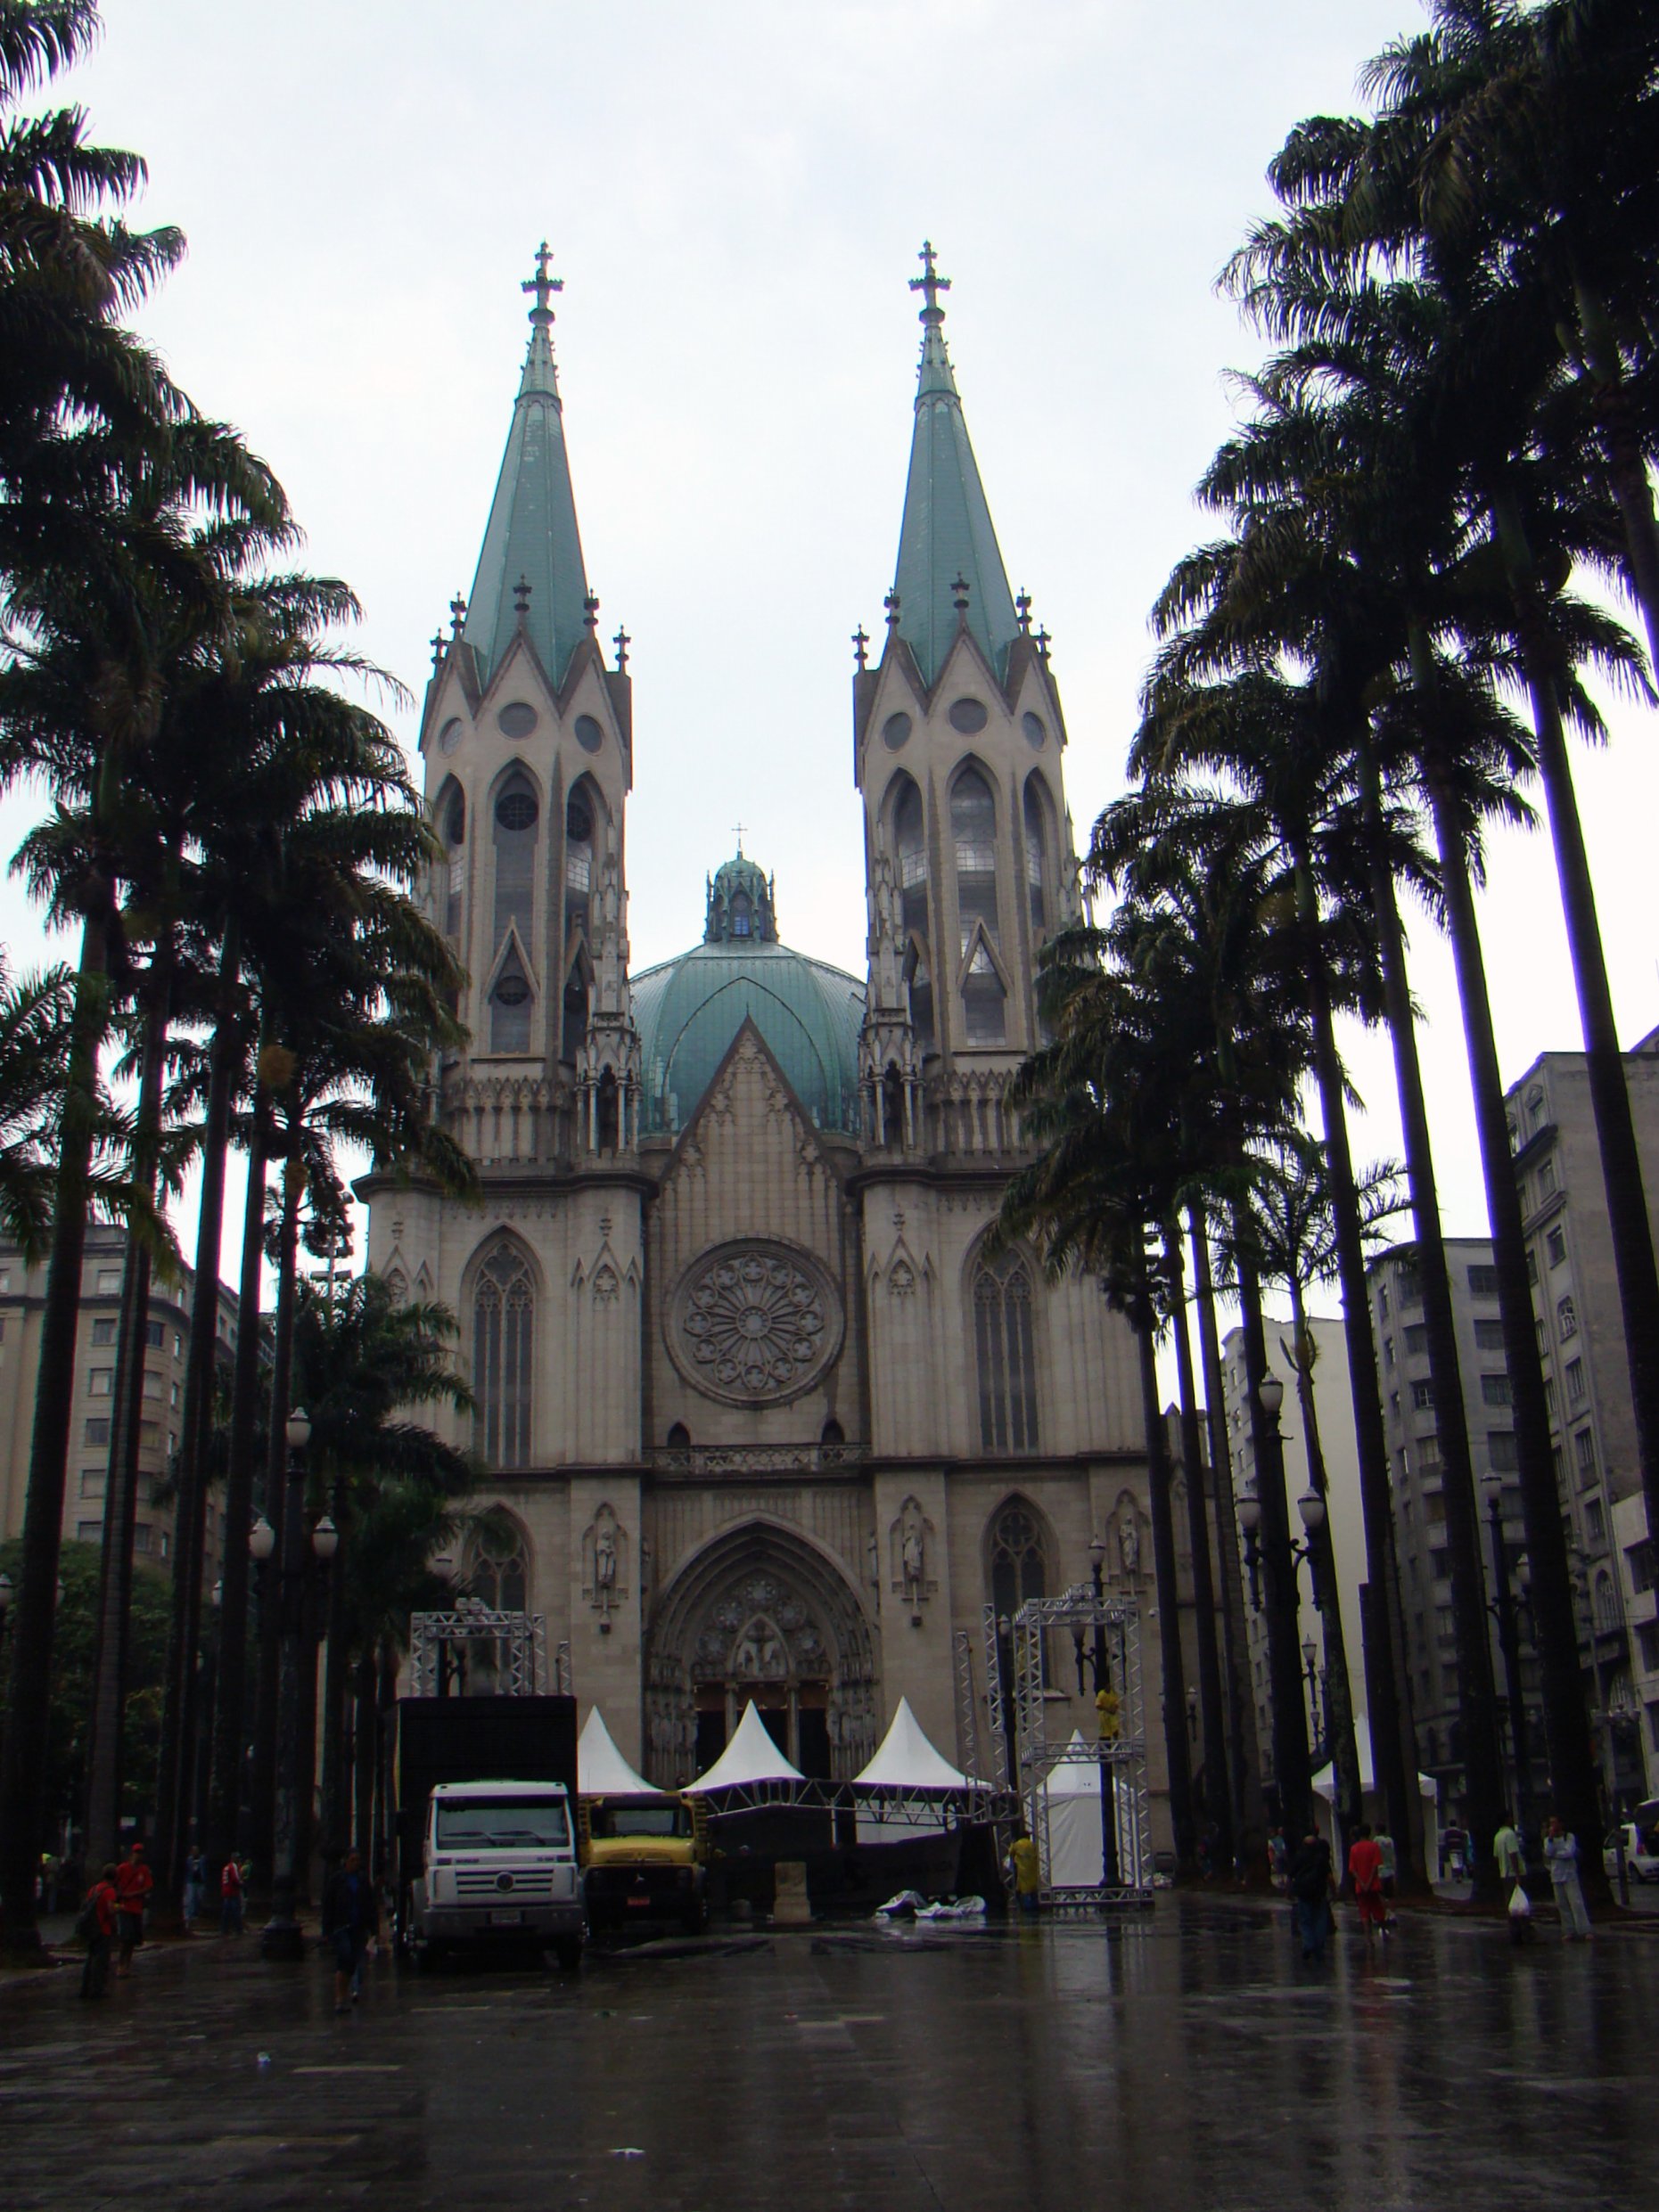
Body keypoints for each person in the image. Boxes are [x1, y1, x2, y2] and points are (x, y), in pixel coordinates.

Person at [321, 1848, 381, 2012]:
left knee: (354, 1961)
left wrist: (374, 1929)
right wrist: (326, 1931)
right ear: (346, 1861)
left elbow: (370, 1906)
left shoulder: (362, 1881)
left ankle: (348, 1992)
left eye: (358, 1860)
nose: (356, 1863)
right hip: (341, 1927)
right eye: (353, 1860)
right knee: (344, 1957)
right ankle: (340, 1999)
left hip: (358, 1928)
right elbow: (328, 1906)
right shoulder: (337, 1881)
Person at [1286, 1830, 1335, 1962]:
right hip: (1319, 1892)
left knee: (1305, 1920)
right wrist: (1334, 1892)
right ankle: (1318, 1946)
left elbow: (1290, 1876)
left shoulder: (1299, 1857)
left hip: (1303, 1893)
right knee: (1320, 1920)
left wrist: (1289, 1891)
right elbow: (1330, 1877)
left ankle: (1308, 1944)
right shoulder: (1321, 1859)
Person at [1544, 1815, 1592, 1942]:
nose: (1553, 1826)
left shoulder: (1569, 1837)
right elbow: (1548, 1853)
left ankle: (1584, 1929)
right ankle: (1568, 1930)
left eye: (1555, 1822)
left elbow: (1568, 1852)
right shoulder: (1548, 1840)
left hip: (1570, 1874)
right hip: (1556, 1875)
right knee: (1562, 1904)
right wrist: (1550, 1839)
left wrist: (1556, 1855)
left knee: (1576, 1902)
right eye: (1551, 1823)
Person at [78, 1864, 119, 1999]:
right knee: (101, 1961)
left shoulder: (94, 1889)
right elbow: (111, 1910)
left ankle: (85, 1987)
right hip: (103, 1929)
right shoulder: (110, 1891)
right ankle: (98, 1989)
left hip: (92, 1929)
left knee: (90, 1959)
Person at [112, 1841, 153, 1977]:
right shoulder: (122, 1868)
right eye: (137, 1853)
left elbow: (148, 1887)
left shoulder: (144, 1870)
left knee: (132, 1940)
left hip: (137, 1908)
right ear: (132, 1854)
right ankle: (120, 1965)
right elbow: (114, 1882)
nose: (138, 1856)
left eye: (140, 1853)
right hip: (125, 1907)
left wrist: (135, 1894)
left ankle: (127, 1965)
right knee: (126, 1937)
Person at [1348, 1822, 1388, 1948]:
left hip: (1360, 1887)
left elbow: (1353, 1869)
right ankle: (1383, 1931)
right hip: (1374, 1885)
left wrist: (1361, 1882)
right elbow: (1375, 1866)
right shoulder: (1374, 1847)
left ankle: (1368, 1938)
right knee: (1378, 1910)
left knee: (1364, 1912)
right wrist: (1370, 1882)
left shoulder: (1354, 1849)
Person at [1008, 1829, 1041, 1918]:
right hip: (1032, 1870)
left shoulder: (1018, 1844)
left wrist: (1012, 1843)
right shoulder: (1032, 1844)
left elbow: (1010, 1852)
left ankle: (1026, 1910)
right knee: (1032, 1889)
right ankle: (1035, 1908)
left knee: (1024, 1890)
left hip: (1023, 1870)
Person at [220, 1852, 245, 1936]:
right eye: (237, 1858)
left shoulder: (226, 1867)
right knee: (236, 1911)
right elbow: (235, 1879)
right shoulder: (233, 1866)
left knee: (226, 1912)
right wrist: (241, 1883)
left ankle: (224, 1929)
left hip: (226, 1892)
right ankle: (238, 1929)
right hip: (233, 1892)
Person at [182, 1846, 205, 1935]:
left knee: (199, 1898)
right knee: (190, 1898)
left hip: (200, 1881)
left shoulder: (202, 1859)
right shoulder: (189, 1860)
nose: (195, 1852)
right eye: (194, 1851)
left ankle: (196, 1914)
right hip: (191, 1881)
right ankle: (190, 1916)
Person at [1373, 1827, 1397, 1899]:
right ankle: (1391, 1909)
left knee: (1381, 1895)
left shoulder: (1377, 1839)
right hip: (1390, 1870)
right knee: (1390, 1895)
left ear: (1377, 1831)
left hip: (1381, 1870)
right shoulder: (1390, 1840)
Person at [1268, 1826, 1288, 1891]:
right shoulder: (1274, 1840)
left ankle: (1282, 1881)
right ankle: (1281, 1881)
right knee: (1279, 1870)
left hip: (1280, 1856)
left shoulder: (1283, 1839)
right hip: (1278, 1856)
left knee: (1282, 1870)